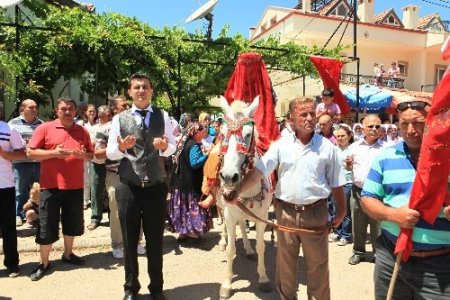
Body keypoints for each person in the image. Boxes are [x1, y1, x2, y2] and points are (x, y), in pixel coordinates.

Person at [226, 97, 346, 300]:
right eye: (303, 114)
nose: (309, 118)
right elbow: (259, 173)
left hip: (316, 213)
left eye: (311, 114)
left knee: (318, 267)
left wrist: (342, 211)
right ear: (291, 119)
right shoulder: (280, 146)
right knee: (286, 267)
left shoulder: (328, 148)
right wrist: (237, 192)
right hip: (286, 213)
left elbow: (336, 183)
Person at [361, 99, 450, 299]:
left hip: (441, 266)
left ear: (432, 123)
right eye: (404, 124)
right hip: (390, 257)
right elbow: (367, 198)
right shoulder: (384, 157)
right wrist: (393, 215)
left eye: (418, 123)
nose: (410, 130)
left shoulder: (447, 158)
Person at [106, 73, 176, 300]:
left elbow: (172, 147)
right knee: (129, 240)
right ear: (130, 91)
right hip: (129, 185)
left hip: (156, 185)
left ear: (151, 90)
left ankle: (156, 288)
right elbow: (110, 153)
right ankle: (130, 288)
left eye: (145, 86)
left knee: (155, 240)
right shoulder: (119, 119)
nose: (141, 90)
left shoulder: (162, 115)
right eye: (137, 87)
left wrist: (165, 147)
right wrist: (123, 148)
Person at [27, 97, 94, 281]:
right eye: (63, 109)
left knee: (72, 223)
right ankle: (44, 262)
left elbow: (91, 155)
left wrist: (84, 156)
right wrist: (53, 153)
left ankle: (68, 254)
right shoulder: (45, 128)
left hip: (75, 185)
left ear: (75, 111)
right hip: (50, 185)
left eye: (70, 109)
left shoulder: (81, 131)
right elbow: (31, 152)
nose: (67, 112)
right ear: (56, 111)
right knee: (47, 224)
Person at [345, 115, 383, 265]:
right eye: (371, 126)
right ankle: (358, 252)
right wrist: (348, 166)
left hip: (377, 193)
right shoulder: (354, 147)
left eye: (377, 126)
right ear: (363, 128)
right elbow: (348, 166)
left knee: (377, 225)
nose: (374, 129)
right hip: (358, 191)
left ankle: (377, 253)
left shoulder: (385, 148)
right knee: (358, 223)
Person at [168, 122, 212, 240]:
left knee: (183, 208)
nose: (205, 133)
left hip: (180, 182)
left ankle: (183, 231)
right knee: (190, 207)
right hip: (189, 183)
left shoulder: (185, 143)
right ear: (197, 133)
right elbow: (195, 163)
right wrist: (207, 155)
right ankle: (192, 231)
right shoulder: (193, 145)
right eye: (203, 131)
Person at [8, 99, 44, 227]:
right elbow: (9, 143)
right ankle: (18, 215)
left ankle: (36, 215)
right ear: (22, 109)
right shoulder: (12, 124)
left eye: (35, 107)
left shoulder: (41, 124)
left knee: (39, 190)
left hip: (38, 162)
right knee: (20, 191)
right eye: (31, 107)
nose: (34, 109)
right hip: (20, 163)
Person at [0, 119, 25, 278]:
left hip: (4, 186)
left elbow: (22, 152)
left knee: (8, 227)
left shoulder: (8, 128)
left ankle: (12, 263)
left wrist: (4, 154)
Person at [87, 105, 112, 231]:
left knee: (111, 191)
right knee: (96, 190)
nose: (110, 115)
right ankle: (95, 217)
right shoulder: (93, 129)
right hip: (97, 163)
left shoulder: (113, 127)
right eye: (108, 114)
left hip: (112, 164)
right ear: (101, 115)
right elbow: (91, 144)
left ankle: (112, 217)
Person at [328, 124, 354, 246]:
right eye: (338, 136)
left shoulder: (353, 149)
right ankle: (337, 231)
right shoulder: (333, 149)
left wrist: (350, 165)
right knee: (335, 208)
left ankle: (346, 234)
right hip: (335, 183)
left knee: (346, 210)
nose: (340, 138)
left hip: (348, 183)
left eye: (343, 136)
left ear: (349, 136)